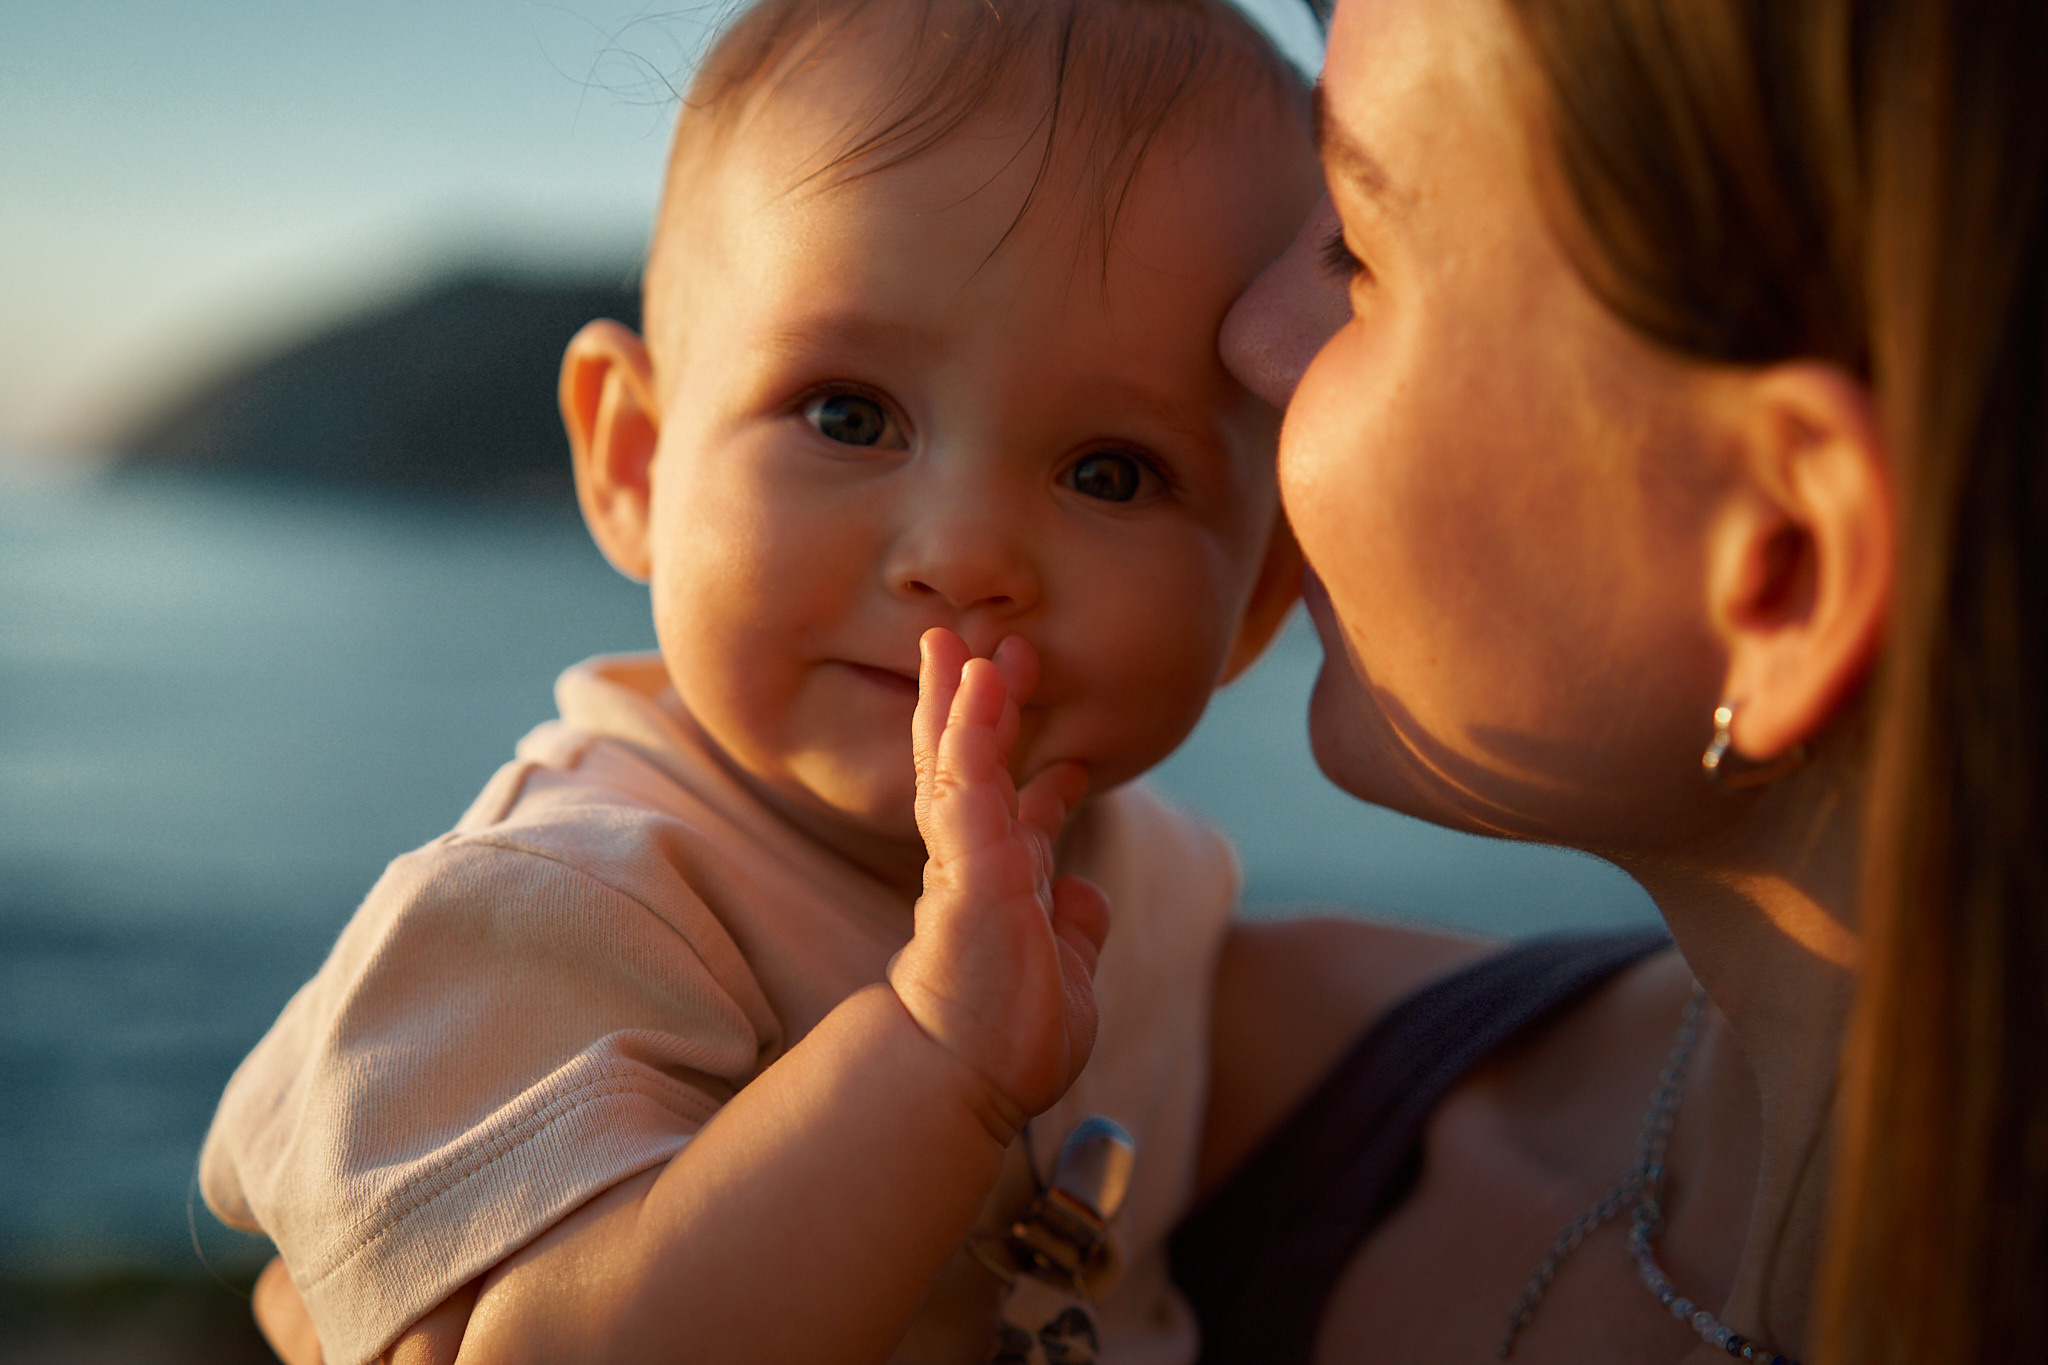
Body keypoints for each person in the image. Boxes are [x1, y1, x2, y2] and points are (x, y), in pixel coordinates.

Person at [199, 2, 1321, 1362]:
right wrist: (936, 1063)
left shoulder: (1154, 874)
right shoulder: (560, 906)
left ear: (1255, 599)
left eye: (1111, 472)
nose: (964, 554)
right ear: (635, 460)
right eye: (849, 415)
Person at [1171, 0, 2048, 1361]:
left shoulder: (1186, 1110)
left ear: (1781, 569)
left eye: (1353, 246)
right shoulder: (1188, 1072)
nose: (1247, 337)